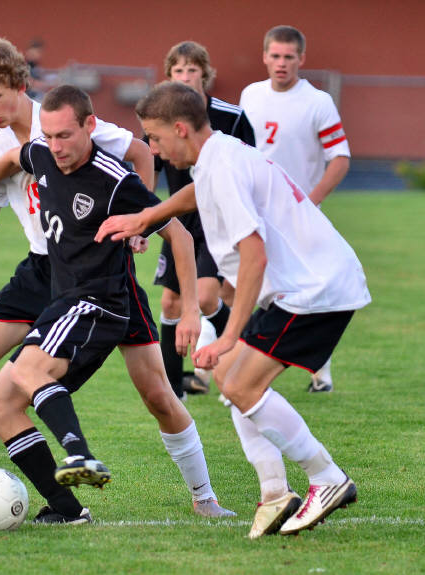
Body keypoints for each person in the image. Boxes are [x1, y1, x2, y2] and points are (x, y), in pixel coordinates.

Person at [0, 35, 233, 520]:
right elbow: (4, 179)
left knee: (157, 394)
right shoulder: (26, 147)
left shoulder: (79, 137)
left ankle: (200, 498)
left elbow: (147, 164)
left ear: (21, 86)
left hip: (101, 280)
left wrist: (139, 225)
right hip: (48, 271)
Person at [95, 81, 371, 537]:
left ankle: (326, 478)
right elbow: (197, 193)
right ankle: (274, 492)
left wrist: (227, 335)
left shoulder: (220, 165)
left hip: (313, 289)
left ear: (180, 129)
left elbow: (254, 255)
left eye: (155, 138)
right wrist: (146, 217)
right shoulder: (218, 152)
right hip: (310, 283)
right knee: (229, 378)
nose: (152, 149)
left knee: (240, 381)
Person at [239, 25, 352, 393]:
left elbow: (340, 158)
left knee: (307, 290)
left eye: (289, 56)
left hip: (300, 219)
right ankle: (235, 367)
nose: (281, 63)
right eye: (275, 55)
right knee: (252, 286)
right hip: (258, 212)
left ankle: (319, 369)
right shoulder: (251, 95)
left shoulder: (317, 101)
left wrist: (310, 202)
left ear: (302, 59)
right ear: (264, 57)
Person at [152, 41, 255, 400]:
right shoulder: (160, 117)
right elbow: (149, 167)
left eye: (191, 70)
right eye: (178, 70)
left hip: (217, 220)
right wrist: (143, 221)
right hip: (178, 221)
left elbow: (251, 166)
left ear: (205, 74)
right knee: (170, 303)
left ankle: (245, 359)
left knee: (208, 298)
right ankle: (172, 390)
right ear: (169, 76)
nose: (185, 77)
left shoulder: (231, 117)